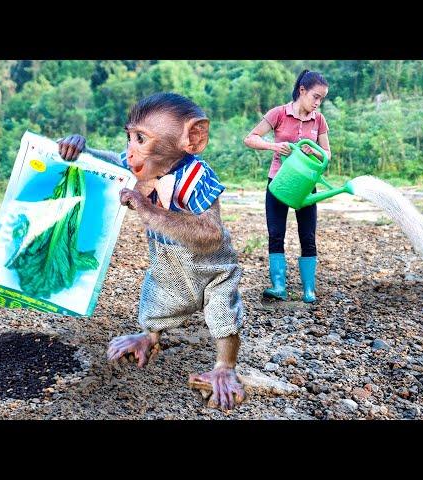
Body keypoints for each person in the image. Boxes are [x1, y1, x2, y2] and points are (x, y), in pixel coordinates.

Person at [58, 92, 245, 411]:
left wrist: (150, 210)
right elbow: (108, 164)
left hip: (212, 264)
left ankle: (225, 367)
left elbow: (211, 233)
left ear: (192, 138)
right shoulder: (140, 166)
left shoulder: (196, 177)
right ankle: (150, 337)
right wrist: (79, 148)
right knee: (157, 296)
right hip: (168, 258)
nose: (130, 151)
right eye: (130, 136)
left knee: (222, 313)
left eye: (141, 139)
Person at [244, 70, 330, 303]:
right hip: (278, 183)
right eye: (315, 96)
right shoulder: (279, 113)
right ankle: (279, 286)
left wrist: (314, 151)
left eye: (322, 98)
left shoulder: (319, 120)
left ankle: (309, 290)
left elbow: (327, 154)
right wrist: (274, 146)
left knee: (308, 236)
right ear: (302, 91)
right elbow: (250, 138)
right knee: (276, 234)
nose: (317, 103)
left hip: (305, 186)